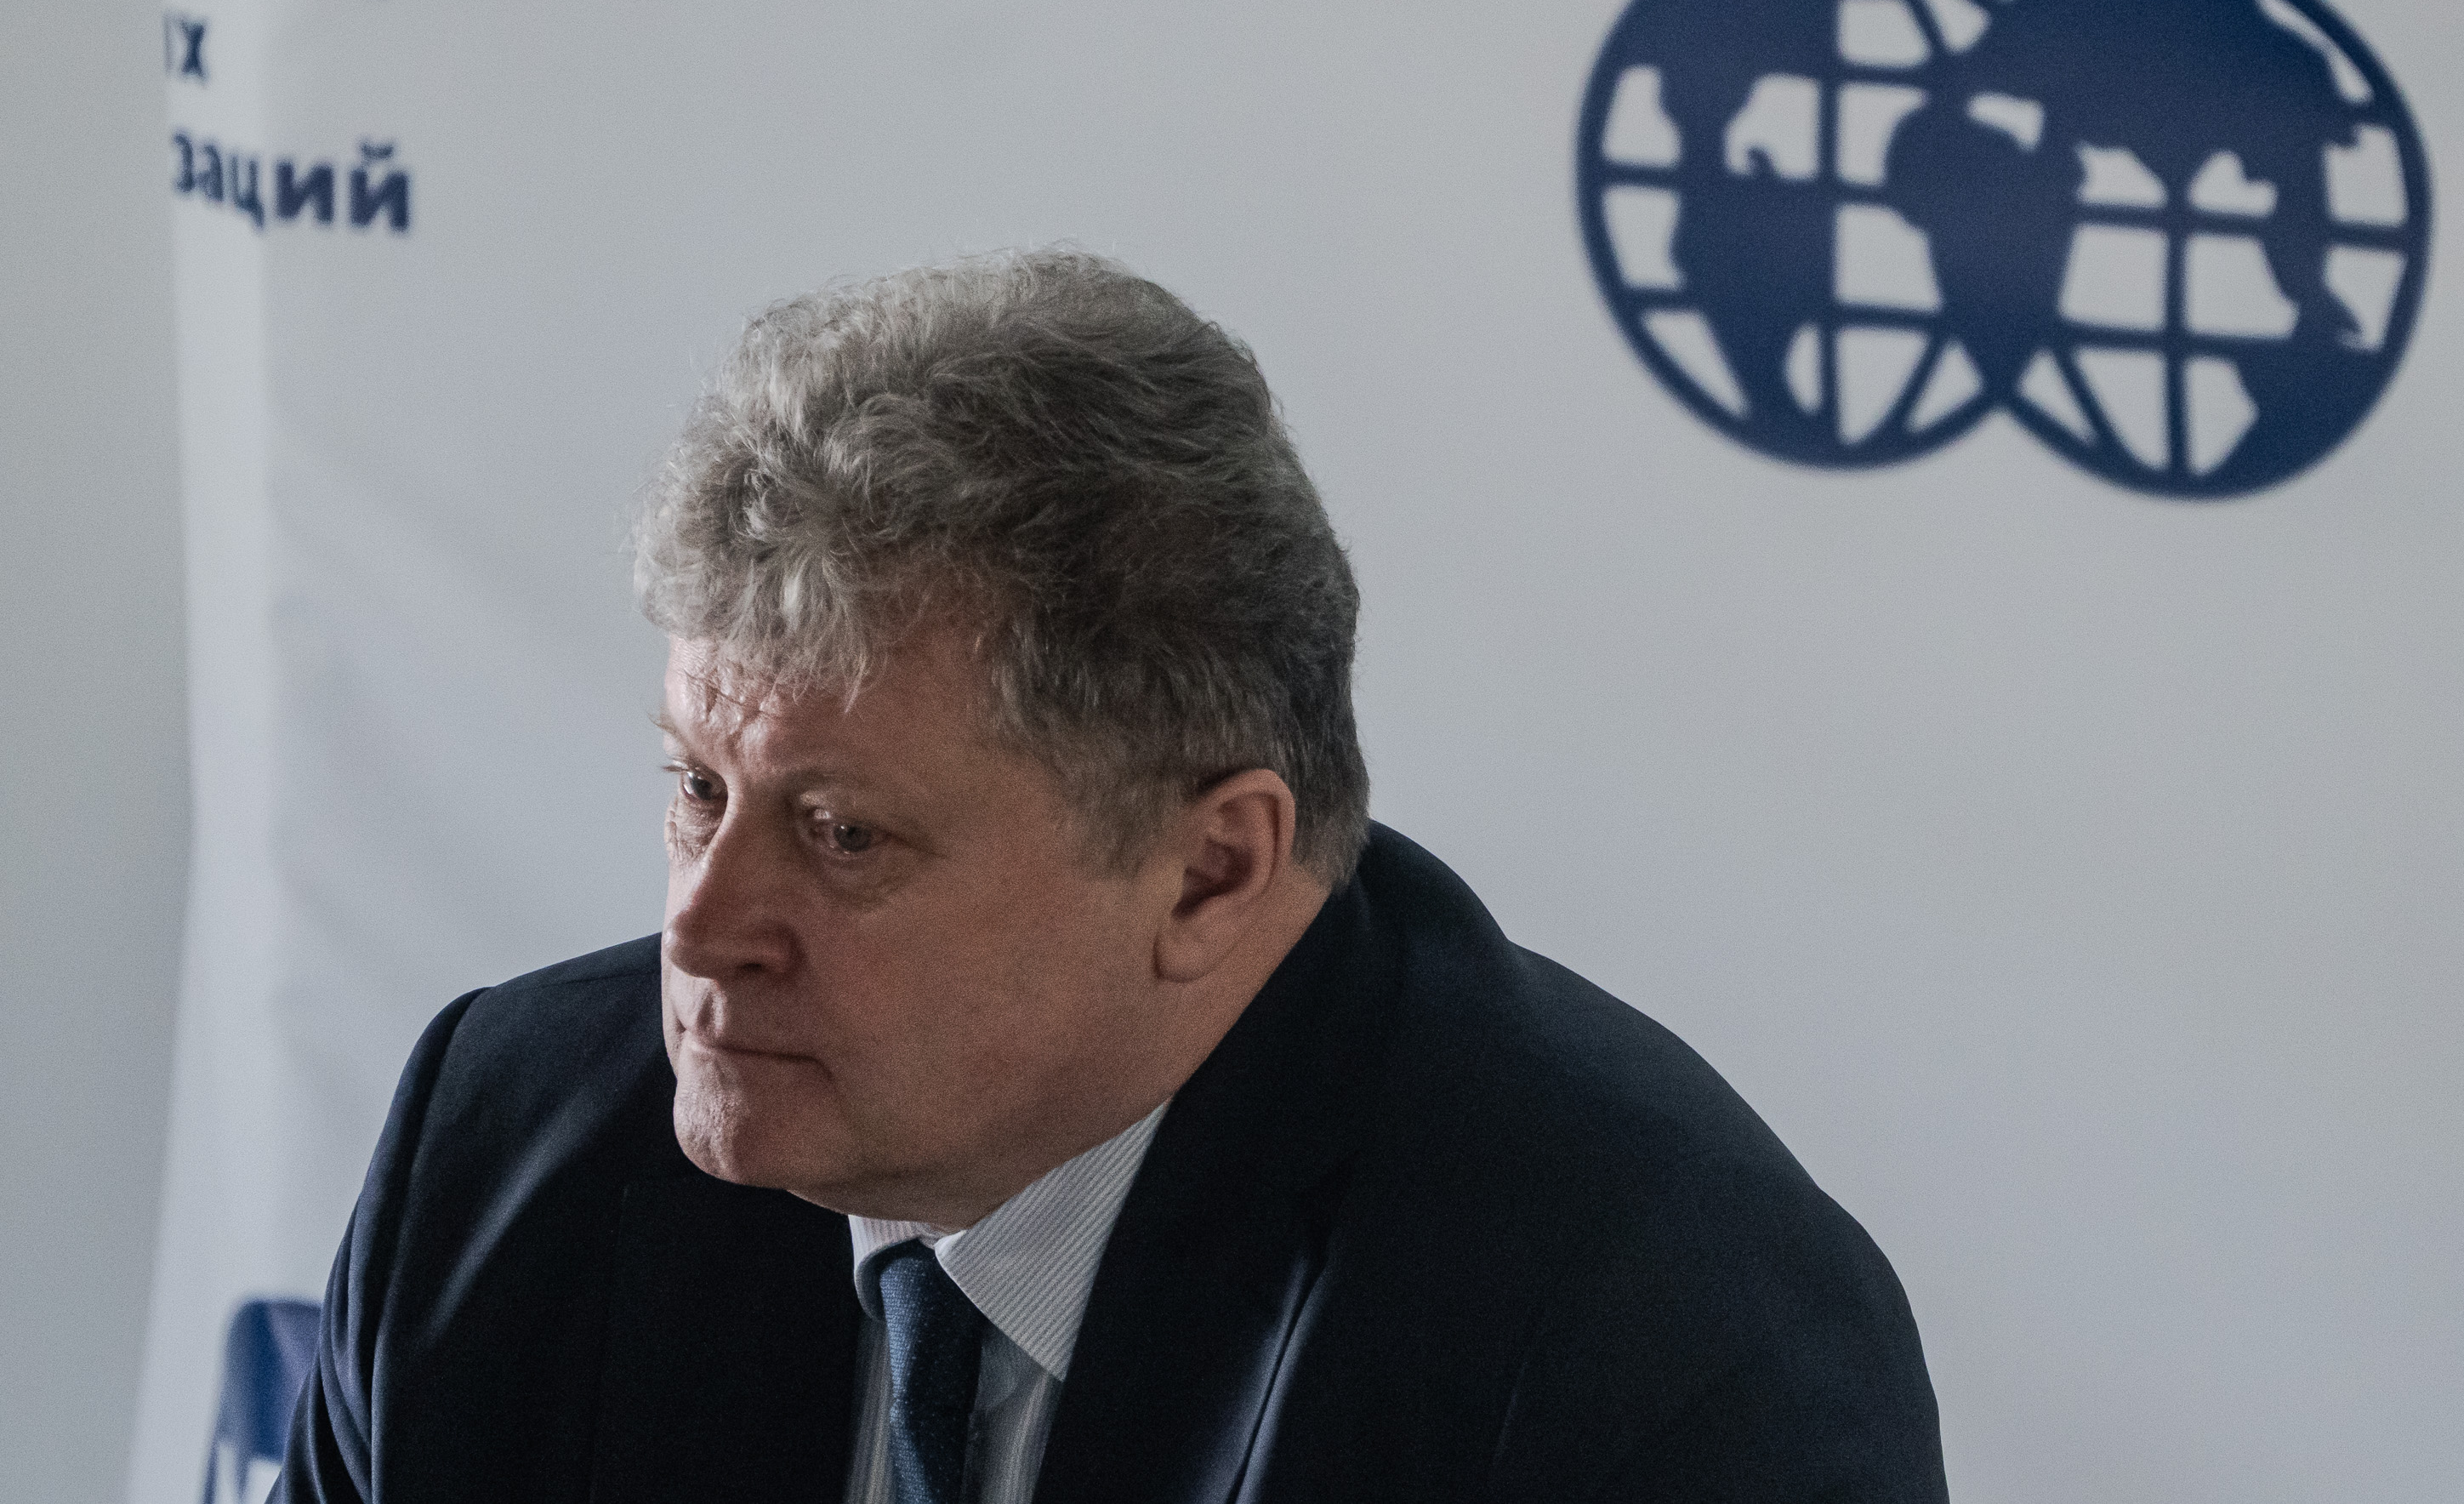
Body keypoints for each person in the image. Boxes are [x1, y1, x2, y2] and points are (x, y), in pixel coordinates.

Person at [281, 249, 1946, 1504]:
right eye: (698, 791)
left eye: (845, 835)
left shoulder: (1648, 1335)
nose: (703, 933)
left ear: (1210, 872)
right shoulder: (511, 1155)